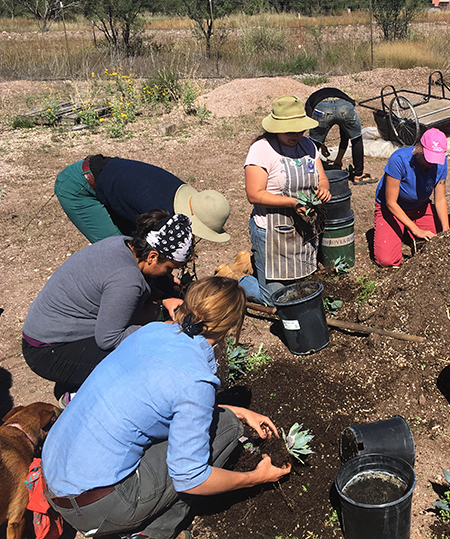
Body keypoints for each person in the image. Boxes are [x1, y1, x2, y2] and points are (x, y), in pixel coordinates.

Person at [42, 276, 291, 539]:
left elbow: (156, 400)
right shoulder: (196, 378)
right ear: (229, 328)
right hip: (98, 506)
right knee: (226, 426)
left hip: (54, 478)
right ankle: (150, 534)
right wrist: (255, 478)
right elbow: (192, 478)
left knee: (224, 418)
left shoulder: (151, 331)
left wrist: (238, 409)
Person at [22, 211, 194, 401]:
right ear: (153, 256)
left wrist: (163, 300)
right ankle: (76, 396)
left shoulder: (123, 244)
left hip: (43, 333)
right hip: (47, 352)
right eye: (169, 268)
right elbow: (110, 338)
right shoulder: (127, 279)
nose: (169, 274)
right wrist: (161, 330)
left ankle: (77, 375)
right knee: (141, 355)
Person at [240, 95, 331, 305]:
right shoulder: (261, 150)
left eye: (299, 129)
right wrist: (292, 203)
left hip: (301, 226)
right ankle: (242, 282)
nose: (296, 135)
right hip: (270, 230)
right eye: (290, 131)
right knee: (274, 299)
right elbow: (254, 194)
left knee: (300, 290)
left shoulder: (308, 146)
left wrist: (324, 189)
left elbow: (322, 178)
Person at [55, 154, 230, 244]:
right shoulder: (159, 209)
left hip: (105, 178)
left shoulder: (178, 198)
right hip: (80, 187)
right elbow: (147, 251)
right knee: (120, 254)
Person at [373, 128, 449, 268]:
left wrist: (446, 231)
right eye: (428, 157)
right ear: (420, 147)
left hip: (420, 207)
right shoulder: (399, 159)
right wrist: (416, 229)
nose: (431, 163)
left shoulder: (441, 164)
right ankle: (407, 230)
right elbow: (390, 202)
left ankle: (407, 231)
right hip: (392, 209)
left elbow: (440, 199)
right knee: (387, 260)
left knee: (437, 249)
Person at [304, 87, 378, 185]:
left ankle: (309, 175)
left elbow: (314, 128)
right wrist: (338, 159)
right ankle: (359, 175)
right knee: (356, 139)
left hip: (322, 108)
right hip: (345, 107)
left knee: (314, 143)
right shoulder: (344, 97)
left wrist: (321, 145)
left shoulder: (310, 102)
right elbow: (345, 135)